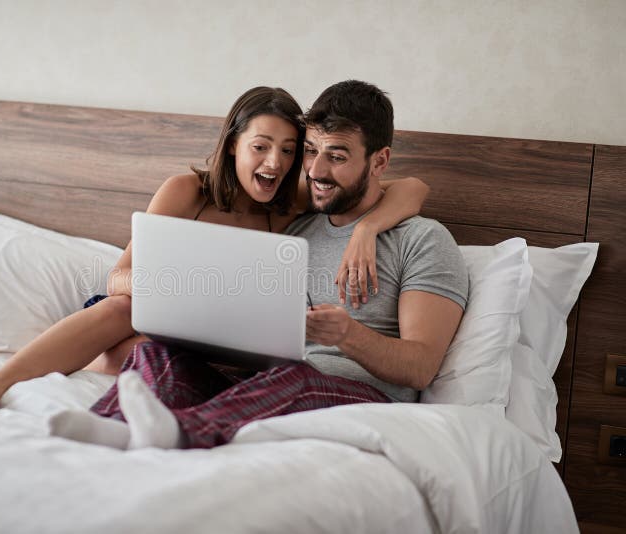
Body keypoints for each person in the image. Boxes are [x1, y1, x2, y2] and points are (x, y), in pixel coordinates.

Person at [0, 86, 428, 412]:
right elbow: (118, 277)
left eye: (289, 150)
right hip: (138, 315)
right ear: (234, 145)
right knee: (125, 311)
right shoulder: (185, 192)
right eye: (261, 146)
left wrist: (367, 231)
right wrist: (176, 290)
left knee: (183, 360)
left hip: (212, 337)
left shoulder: (293, 201)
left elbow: (411, 187)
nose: (276, 162)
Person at [48, 80, 469, 450]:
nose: (316, 171)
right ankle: (112, 428)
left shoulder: (424, 241)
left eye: (337, 157)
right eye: (309, 152)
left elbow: (420, 368)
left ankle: (179, 433)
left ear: (378, 162)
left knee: (297, 378)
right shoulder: (294, 230)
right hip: (262, 386)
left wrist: (349, 335)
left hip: (361, 398)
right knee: (160, 355)